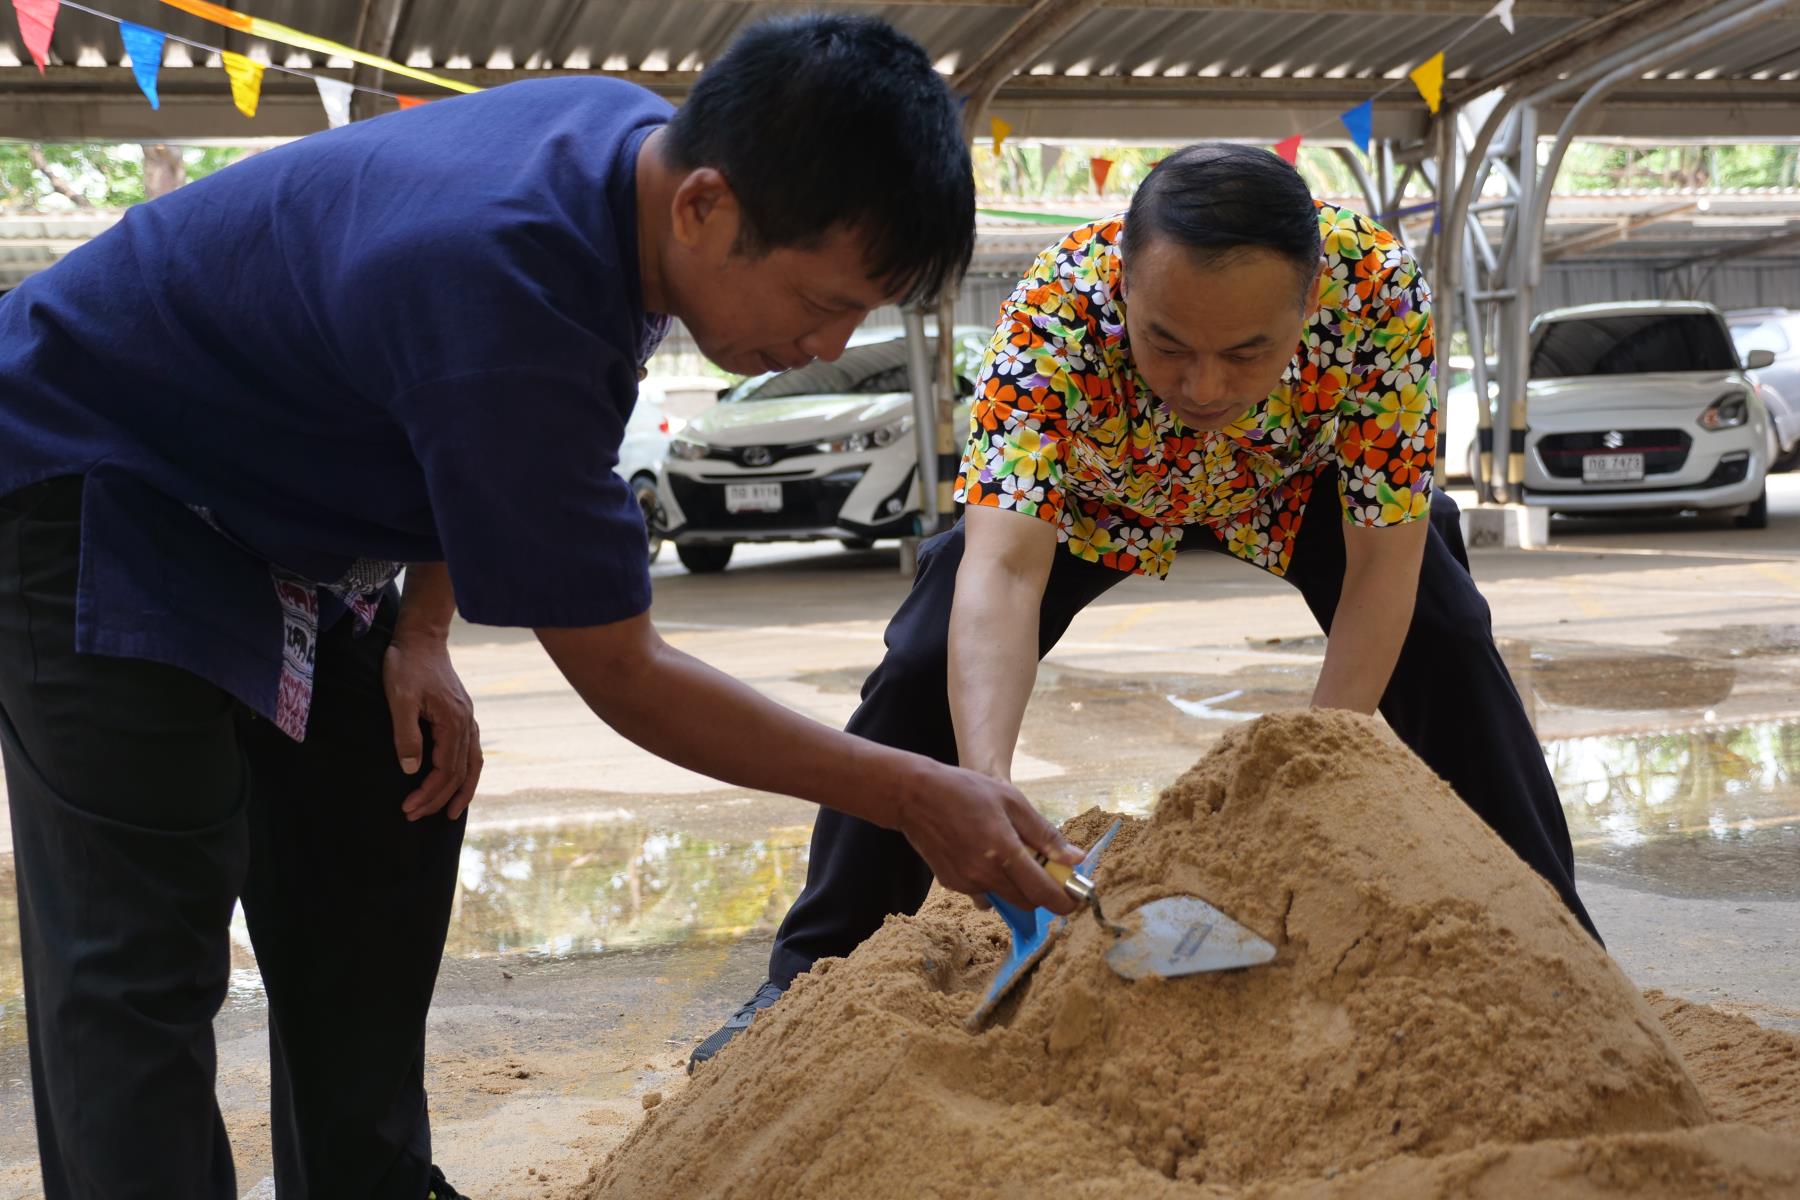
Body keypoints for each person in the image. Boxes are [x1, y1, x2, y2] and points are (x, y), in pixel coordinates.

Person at [0, 16, 1084, 1198]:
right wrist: (913, 793)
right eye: (822, 303)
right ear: (705, 207)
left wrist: (422, 631)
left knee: (388, 805)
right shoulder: (508, 283)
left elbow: (452, 418)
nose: (824, 346)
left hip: (292, 505)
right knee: (137, 951)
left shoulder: (629, 155)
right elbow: (623, 672)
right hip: (95, 476)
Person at [691, 143, 1601, 1071]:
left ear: (1310, 300)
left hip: (1293, 483)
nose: (1203, 388)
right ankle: (807, 974)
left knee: (1446, 636)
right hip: (1101, 491)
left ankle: (1562, 951)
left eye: (1246, 352)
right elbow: (1003, 570)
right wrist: (986, 785)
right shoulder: (1053, 307)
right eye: (1166, 344)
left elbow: (1380, 564)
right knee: (926, 660)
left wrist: (1304, 775)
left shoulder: (1381, 290)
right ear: (1123, 285)